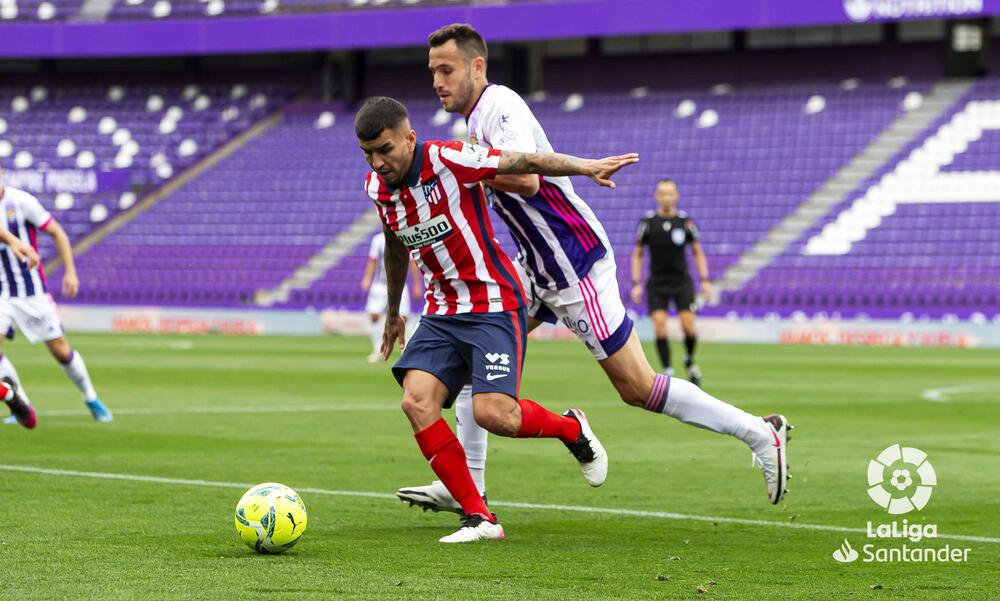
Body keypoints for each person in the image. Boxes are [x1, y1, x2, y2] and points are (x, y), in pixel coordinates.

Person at [396, 24, 790, 513]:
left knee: (637, 387)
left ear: (478, 66)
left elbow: (526, 179)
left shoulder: (501, 107)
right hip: (535, 264)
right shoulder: (475, 122)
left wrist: (462, 171)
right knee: (480, 346)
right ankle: (468, 489)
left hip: (571, 262)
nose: (437, 80)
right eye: (432, 70)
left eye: (446, 69)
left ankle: (759, 432)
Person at [357, 96, 637, 542]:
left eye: (385, 149)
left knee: (495, 414)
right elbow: (394, 243)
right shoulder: (377, 188)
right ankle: (480, 518)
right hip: (442, 310)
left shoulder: (447, 157)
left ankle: (571, 428)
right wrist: (394, 311)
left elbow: (521, 160)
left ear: (409, 138)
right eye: (368, 153)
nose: (378, 161)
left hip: (492, 301)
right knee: (416, 401)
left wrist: (584, 166)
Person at [0, 168, 113, 425]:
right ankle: (21, 406)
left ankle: (91, 397)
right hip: (2, 293)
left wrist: (70, 272)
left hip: (31, 292)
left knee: (60, 351)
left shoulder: (21, 201)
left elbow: (57, 232)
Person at [632, 179, 710, 386]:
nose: (666, 197)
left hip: (681, 280)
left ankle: (690, 360)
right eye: (662, 193)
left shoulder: (686, 223)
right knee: (659, 327)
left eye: (670, 193)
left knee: (689, 327)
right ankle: (668, 370)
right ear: (657, 196)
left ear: (676, 196)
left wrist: (704, 280)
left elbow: (697, 252)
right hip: (657, 282)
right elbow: (637, 254)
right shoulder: (647, 224)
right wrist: (636, 282)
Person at [360, 229, 420, 363]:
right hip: (379, 285)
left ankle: (406, 351)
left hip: (399, 285)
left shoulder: (403, 236)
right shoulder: (377, 240)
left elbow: (412, 263)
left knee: (403, 317)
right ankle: (377, 351)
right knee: (374, 315)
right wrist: (367, 278)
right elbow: (373, 261)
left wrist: (417, 285)